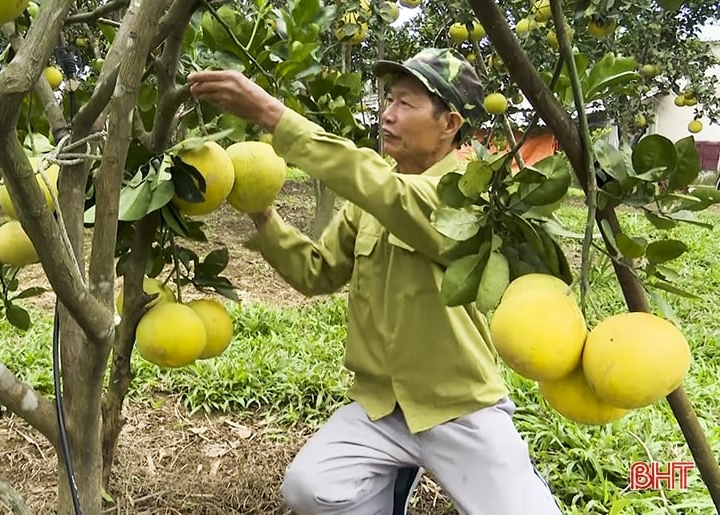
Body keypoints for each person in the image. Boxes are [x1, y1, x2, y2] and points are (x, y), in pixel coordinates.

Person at [187, 48, 563, 515]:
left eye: (406, 104)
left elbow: (386, 193)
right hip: (382, 406)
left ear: (449, 124)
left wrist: (272, 114)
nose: (388, 114)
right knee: (311, 488)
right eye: (389, 100)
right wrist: (263, 214)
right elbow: (316, 272)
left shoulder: (469, 194)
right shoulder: (375, 191)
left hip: (457, 403)